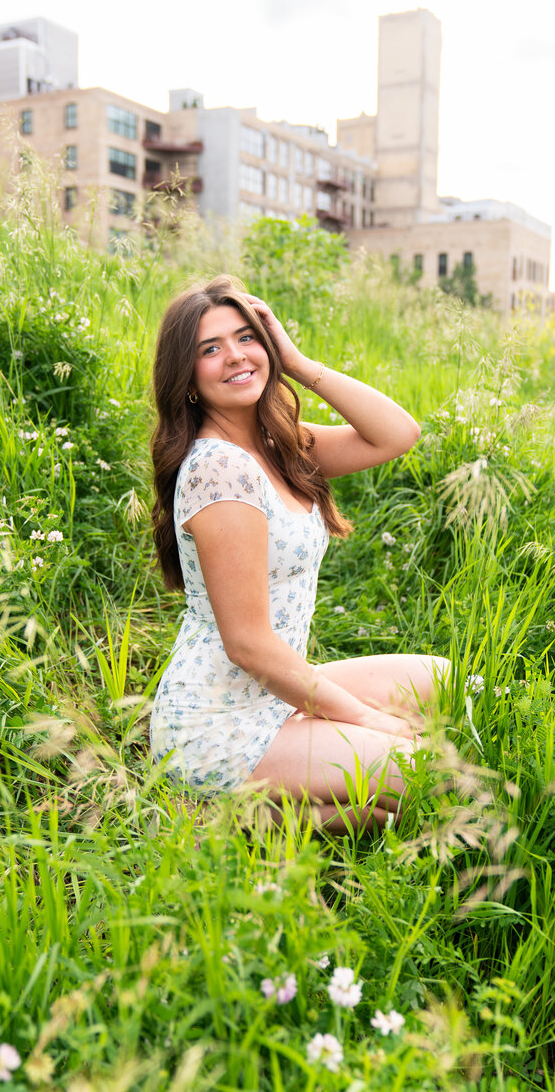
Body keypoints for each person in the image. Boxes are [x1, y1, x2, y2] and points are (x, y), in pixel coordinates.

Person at [149, 274, 449, 832]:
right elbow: (249, 646)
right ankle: (232, 810)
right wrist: (364, 719)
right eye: (209, 349)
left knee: (447, 682)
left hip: (276, 696)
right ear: (186, 378)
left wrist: (297, 361)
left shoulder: (277, 444)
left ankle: (268, 811)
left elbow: (397, 434)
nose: (235, 356)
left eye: (246, 337)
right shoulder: (219, 468)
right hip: (217, 722)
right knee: (424, 772)